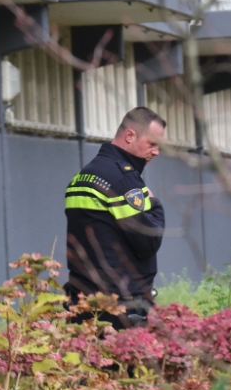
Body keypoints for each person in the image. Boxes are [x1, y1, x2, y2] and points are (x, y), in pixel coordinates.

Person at [64, 106, 166, 329]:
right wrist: (155, 204)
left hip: (81, 302)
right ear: (130, 136)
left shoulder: (81, 177)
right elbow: (148, 241)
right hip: (119, 308)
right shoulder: (124, 180)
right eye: (152, 143)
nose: (156, 152)